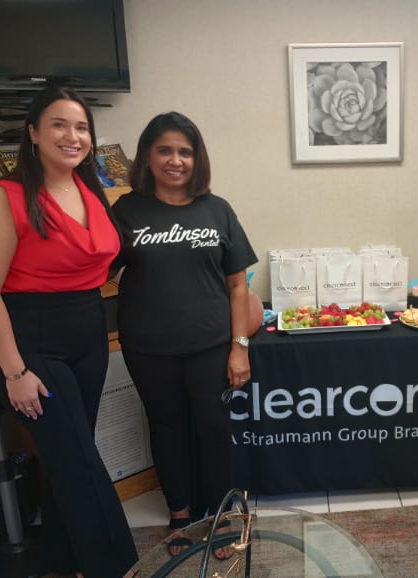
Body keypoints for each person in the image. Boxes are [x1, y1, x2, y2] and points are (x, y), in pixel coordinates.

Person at [0, 86, 138, 577]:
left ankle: (64, 560)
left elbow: (99, 262)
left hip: (87, 332)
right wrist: (14, 371)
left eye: (82, 126)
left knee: (70, 457)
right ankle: (119, 566)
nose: (73, 135)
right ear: (34, 133)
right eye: (60, 124)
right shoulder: (6, 197)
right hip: (32, 339)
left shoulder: (90, 191)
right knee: (83, 462)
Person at [112, 112, 257, 558]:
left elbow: (238, 286)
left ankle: (220, 515)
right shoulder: (126, 210)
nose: (176, 160)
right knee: (166, 428)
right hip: (147, 347)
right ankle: (180, 513)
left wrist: (240, 348)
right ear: (148, 157)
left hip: (210, 347)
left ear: (197, 159)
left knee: (213, 430)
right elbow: (97, 266)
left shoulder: (217, 210)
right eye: (165, 150)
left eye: (185, 151)